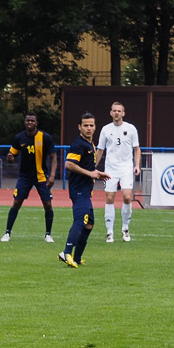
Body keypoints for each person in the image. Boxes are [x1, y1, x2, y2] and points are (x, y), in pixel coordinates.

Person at [58, 113, 110, 267]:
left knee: (89, 224)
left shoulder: (90, 144)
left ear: (95, 127)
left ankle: (78, 257)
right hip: (79, 190)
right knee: (80, 221)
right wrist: (90, 173)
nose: (89, 128)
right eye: (85, 125)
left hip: (86, 190)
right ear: (79, 127)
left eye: (91, 125)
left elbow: (87, 166)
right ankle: (66, 252)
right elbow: (69, 164)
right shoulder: (79, 144)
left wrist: (97, 173)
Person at [1, 112, 56, 242]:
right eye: (28, 120)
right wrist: (10, 158)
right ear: (24, 122)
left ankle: (48, 234)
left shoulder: (45, 137)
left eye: (32, 120)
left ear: (36, 123)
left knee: (47, 204)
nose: (30, 123)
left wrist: (52, 175)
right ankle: (7, 233)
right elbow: (11, 156)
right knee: (17, 203)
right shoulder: (19, 138)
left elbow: (53, 157)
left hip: (41, 176)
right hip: (24, 177)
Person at [95, 102, 141, 242]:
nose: (116, 113)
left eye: (119, 111)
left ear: (123, 113)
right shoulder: (105, 129)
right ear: (111, 113)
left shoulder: (131, 128)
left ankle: (125, 229)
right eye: (114, 111)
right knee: (110, 198)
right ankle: (109, 232)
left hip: (126, 167)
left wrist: (137, 165)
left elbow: (137, 149)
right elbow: (100, 149)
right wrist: (93, 166)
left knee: (127, 197)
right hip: (111, 168)